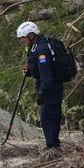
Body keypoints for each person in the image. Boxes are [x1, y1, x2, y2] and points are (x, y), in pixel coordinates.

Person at [17, 21, 63, 151]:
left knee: (48, 117)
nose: (22, 41)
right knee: (49, 116)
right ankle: (53, 144)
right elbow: (38, 69)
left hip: (52, 88)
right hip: (49, 87)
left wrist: (42, 93)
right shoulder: (36, 47)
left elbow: (46, 75)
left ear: (31, 35)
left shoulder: (42, 50)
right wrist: (29, 72)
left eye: (23, 38)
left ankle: (52, 147)